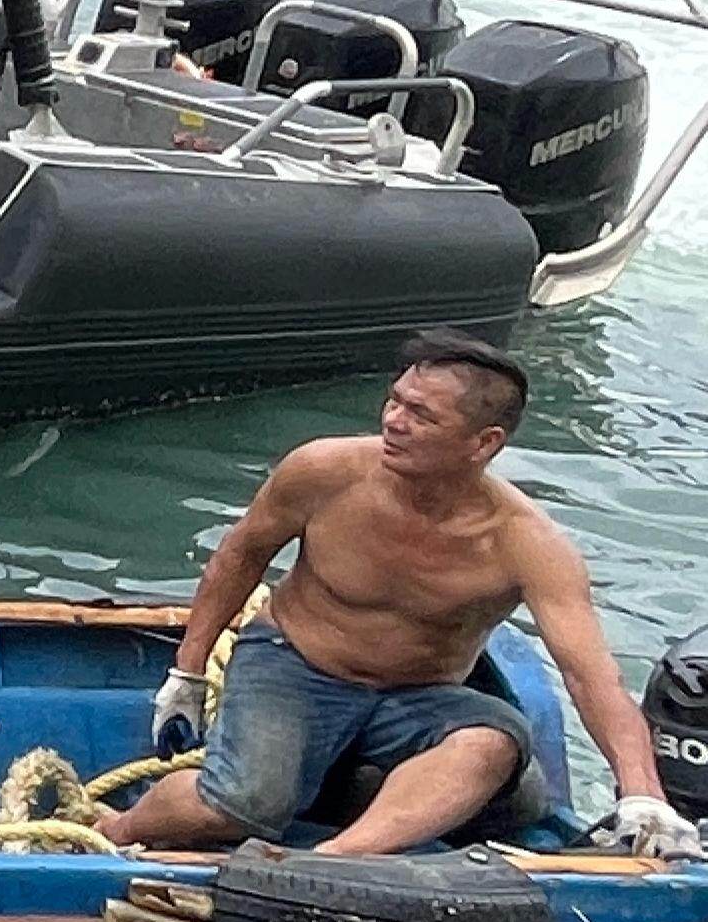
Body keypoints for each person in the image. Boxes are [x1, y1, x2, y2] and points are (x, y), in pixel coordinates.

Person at [101, 334, 703, 862]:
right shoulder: (322, 471)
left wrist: (644, 795)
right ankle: (118, 827)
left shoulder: (527, 543)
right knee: (245, 804)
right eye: (394, 401)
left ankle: (337, 859)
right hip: (296, 664)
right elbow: (240, 556)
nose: (393, 420)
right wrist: (188, 672)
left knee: (495, 741)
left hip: (420, 696)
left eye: (421, 415)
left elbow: (588, 674)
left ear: (483, 442)